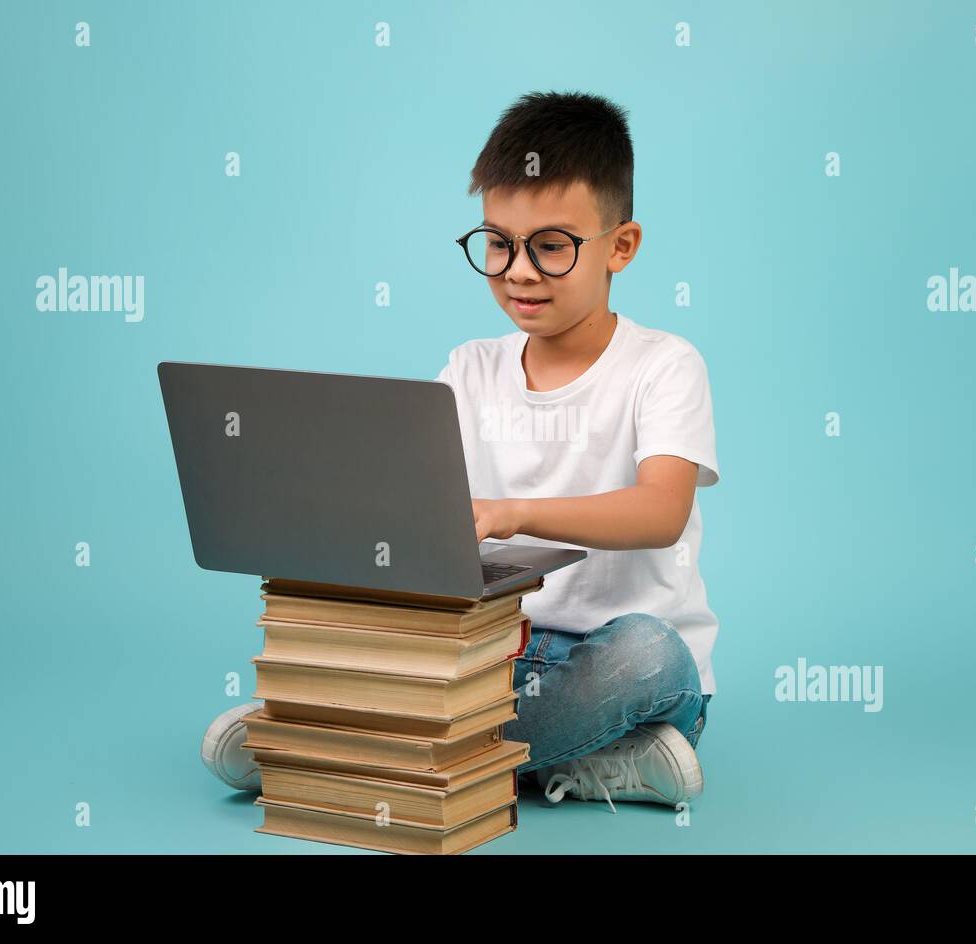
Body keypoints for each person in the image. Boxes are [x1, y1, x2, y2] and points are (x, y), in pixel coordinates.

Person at [203, 91, 720, 813]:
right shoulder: (470, 368)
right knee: (388, 637)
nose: (518, 271)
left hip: (619, 664)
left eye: (552, 246)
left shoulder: (664, 365)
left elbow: (660, 511)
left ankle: (319, 748)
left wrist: (512, 513)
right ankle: (586, 760)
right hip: (490, 658)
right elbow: (412, 501)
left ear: (621, 247)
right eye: (499, 243)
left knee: (649, 655)